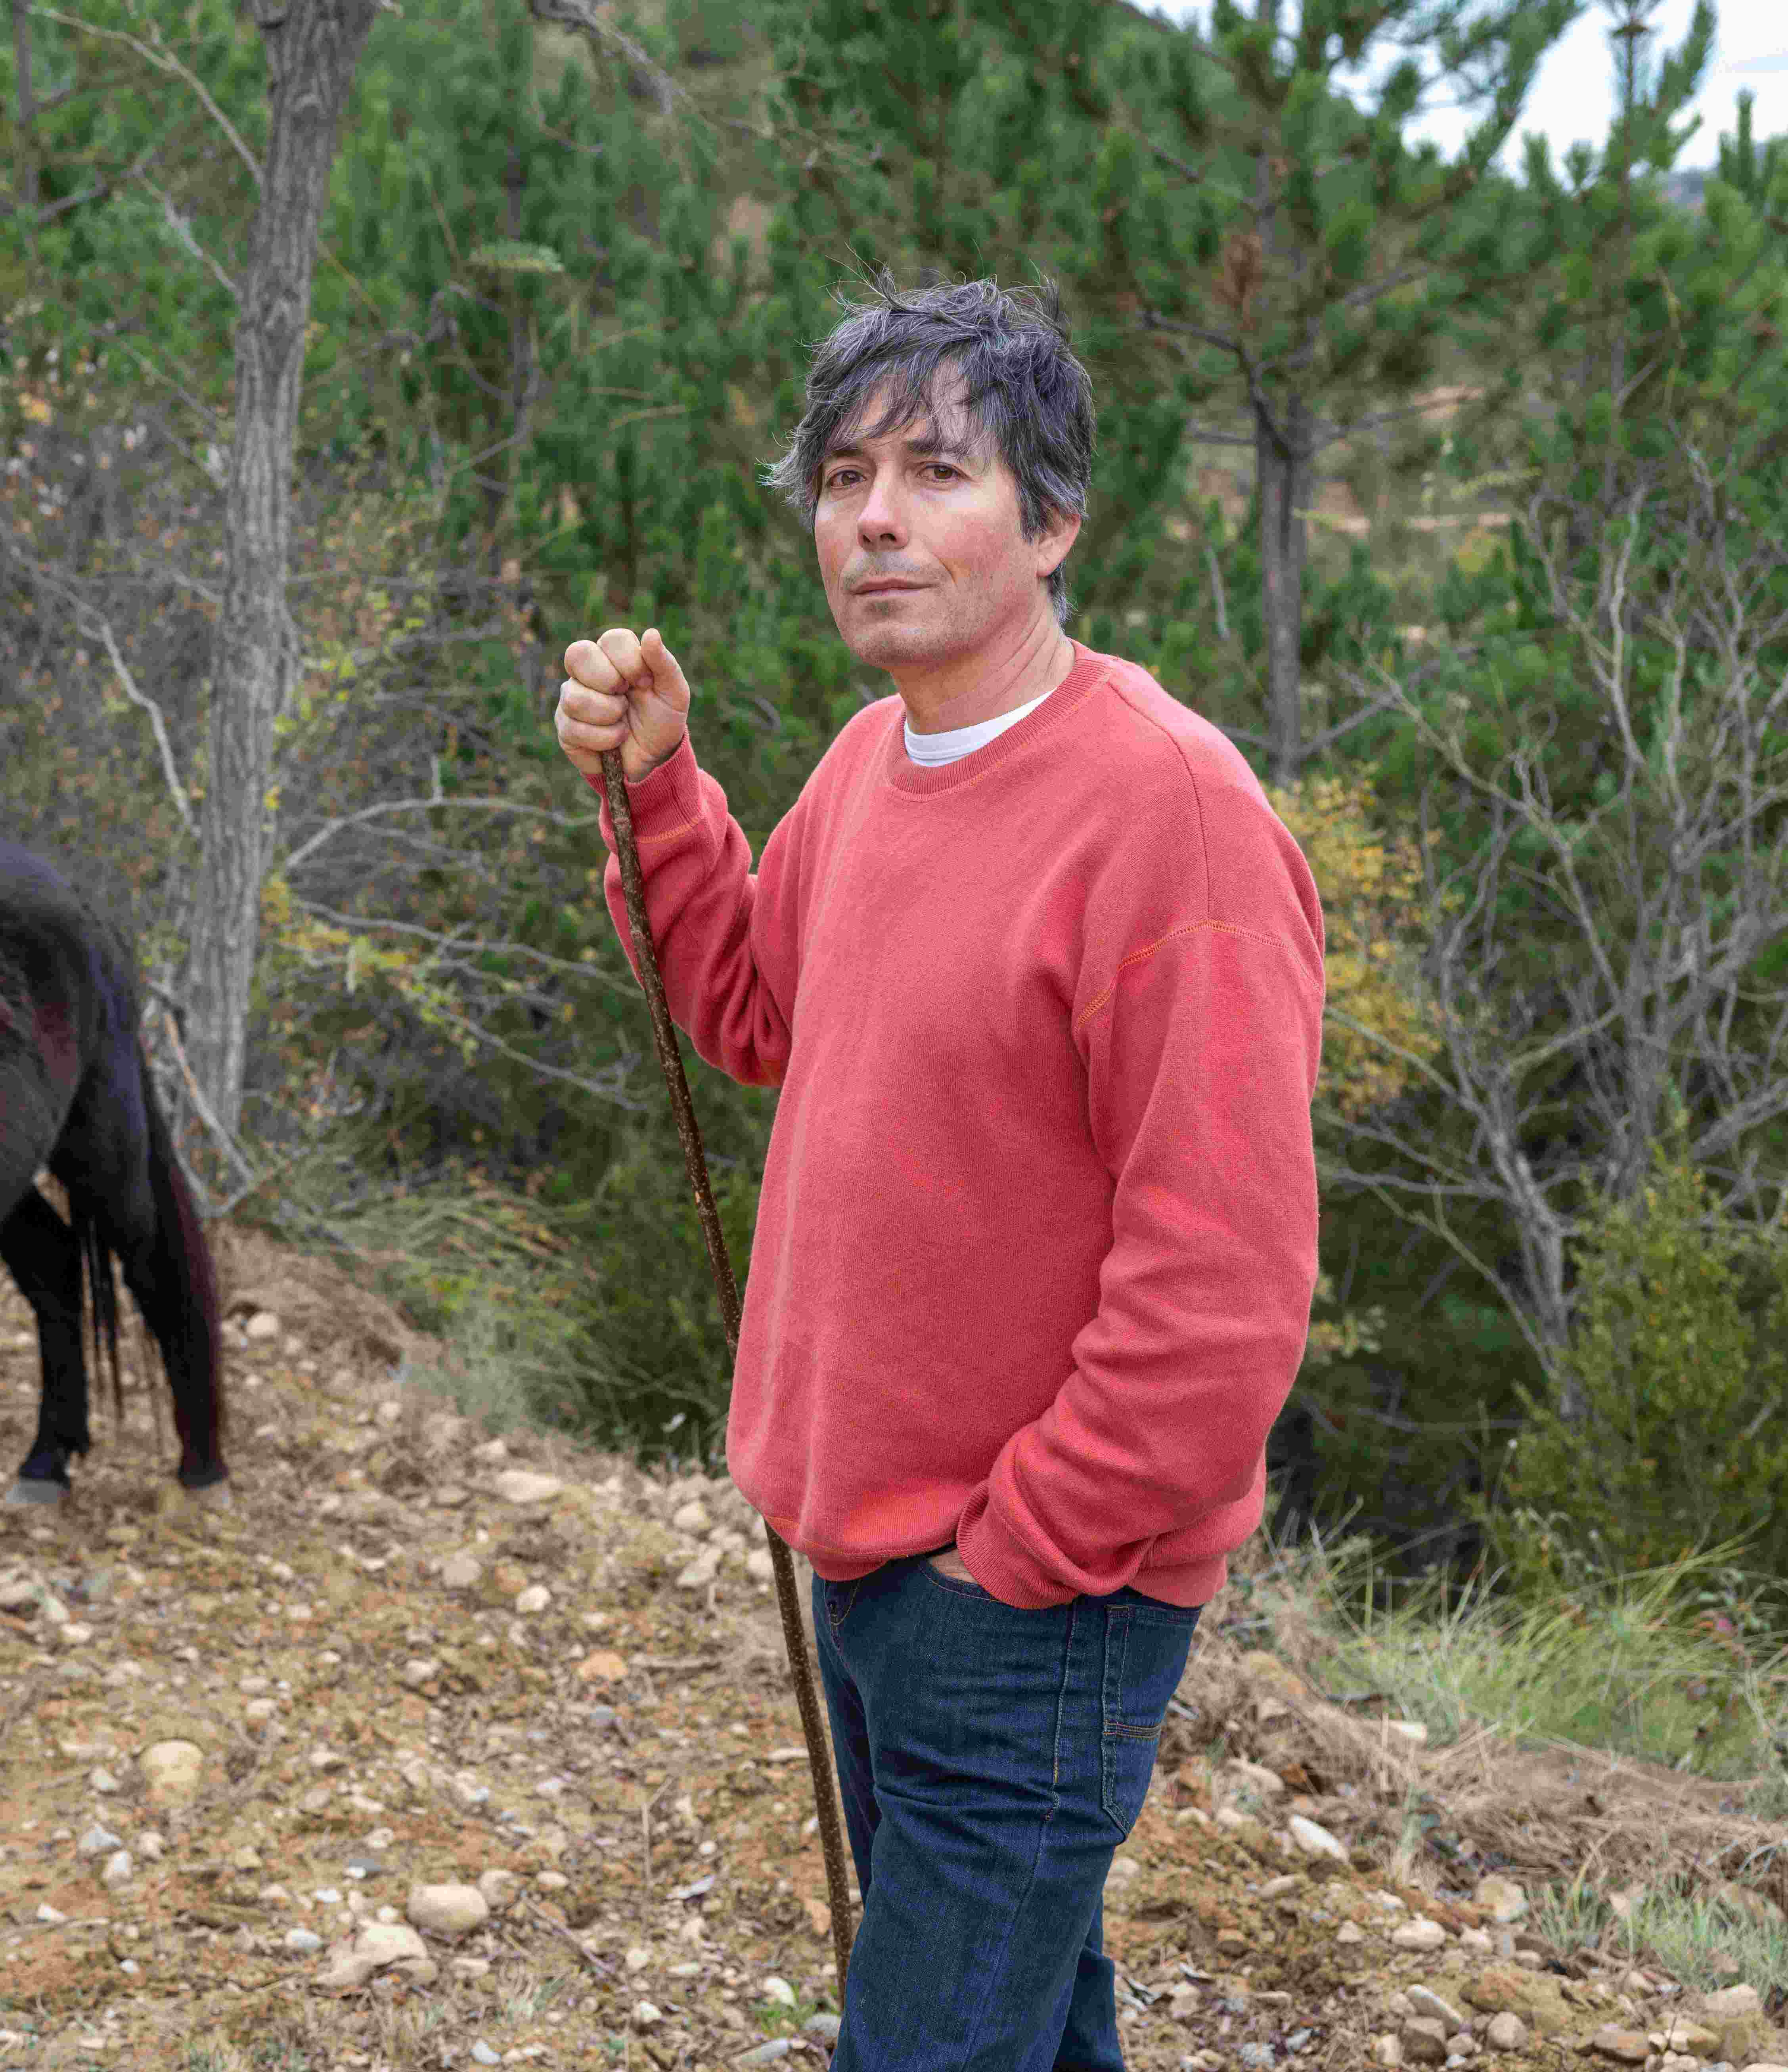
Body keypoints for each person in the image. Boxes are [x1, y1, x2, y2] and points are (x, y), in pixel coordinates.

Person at [551, 279, 1324, 2072]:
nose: (873, 515)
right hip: (875, 1553)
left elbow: (1219, 1289)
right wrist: (663, 788)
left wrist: (1021, 1553)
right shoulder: (871, 762)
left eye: (935, 470)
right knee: (1025, 2027)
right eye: (841, 476)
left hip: (1033, 1595)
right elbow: (747, 1004)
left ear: (1051, 520)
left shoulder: (1168, 813)